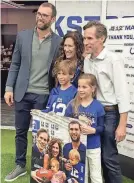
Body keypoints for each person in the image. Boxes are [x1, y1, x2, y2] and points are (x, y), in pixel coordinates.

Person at [4, 2, 62, 182]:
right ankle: (20, 165)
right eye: (39, 14)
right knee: (20, 131)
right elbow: (15, 64)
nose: (40, 17)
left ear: (52, 19)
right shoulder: (23, 36)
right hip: (23, 93)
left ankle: (42, 167)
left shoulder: (58, 42)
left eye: (45, 15)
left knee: (42, 135)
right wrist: (8, 88)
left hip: (44, 95)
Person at [83, 21, 130, 183]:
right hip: (93, 113)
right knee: (96, 156)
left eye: (89, 38)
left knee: (109, 157)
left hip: (110, 113)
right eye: (84, 38)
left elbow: (122, 94)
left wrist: (122, 124)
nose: (85, 42)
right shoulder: (87, 61)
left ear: (101, 38)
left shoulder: (113, 59)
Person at [65, 74, 105, 183]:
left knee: (96, 175)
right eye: (79, 86)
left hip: (94, 146)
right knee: (82, 175)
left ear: (93, 88)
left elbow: (102, 127)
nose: (80, 90)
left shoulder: (98, 106)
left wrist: (94, 130)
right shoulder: (72, 105)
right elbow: (65, 124)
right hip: (78, 148)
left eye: (84, 87)